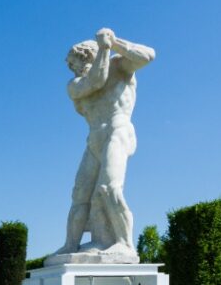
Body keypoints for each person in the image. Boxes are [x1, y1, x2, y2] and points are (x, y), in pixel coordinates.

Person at [54, 28, 155, 260]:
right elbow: (96, 81)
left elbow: (149, 55)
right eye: (70, 66)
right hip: (94, 139)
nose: (73, 69)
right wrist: (105, 49)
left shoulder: (120, 66)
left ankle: (125, 243)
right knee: (80, 194)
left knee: (109, 188)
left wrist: (113, 42)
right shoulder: (75, 85)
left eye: (75, 62)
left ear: (87, 55)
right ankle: (71, 245)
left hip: (117, 130)